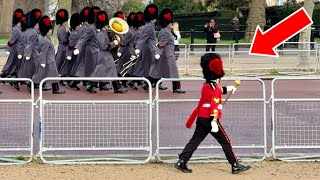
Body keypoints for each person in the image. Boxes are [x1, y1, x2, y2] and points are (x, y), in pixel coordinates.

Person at [174, 53, 251, 174]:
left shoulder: (207, 85)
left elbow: (217, 90)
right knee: (225, 141)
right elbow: (214, 104)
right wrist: (214, 121)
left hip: (202, 118)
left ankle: (182, 160)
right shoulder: (215, 87)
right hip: (210, 119)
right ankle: (235, 164)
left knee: (195, 140)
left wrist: (230, 88)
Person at [85, 11, 127, 94]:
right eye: (107, 25)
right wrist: (113, 43)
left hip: (106, 55)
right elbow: (103, 47)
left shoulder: (104, 33)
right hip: (104, 56)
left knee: (101, 71)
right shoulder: (100, 34)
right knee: (105, 70)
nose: (108, 26)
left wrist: (114, 41)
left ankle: (91, 85)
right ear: (103, 25)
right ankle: (116, 87)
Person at [150, 8, 185, 94]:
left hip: (164, 54)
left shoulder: (163, 30)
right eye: (170, 23)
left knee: (158, 71)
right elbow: (161, 44)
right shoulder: (166, 32)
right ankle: (176, 88)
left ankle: (149, 83)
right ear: (167, 23)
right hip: (168, 55)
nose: (172, 24)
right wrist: (157, 53)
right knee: (174, 71)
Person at [32, 15, 65, 94]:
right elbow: (43, 52)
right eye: (50, 29)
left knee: (50, 75)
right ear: (47, 30)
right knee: (43, 75)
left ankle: (55, 89)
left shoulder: (46, 39)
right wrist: (42, 62)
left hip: (50, 60)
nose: (51, 31)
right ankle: (32, 83)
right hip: (48, 61)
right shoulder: (45, 40)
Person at [133, 3, 159, 92]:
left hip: (149, 48)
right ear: (152, 18)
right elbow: (143, 38)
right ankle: (147, 83)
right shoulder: (149, 27)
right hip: (149, 50)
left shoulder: (149, 26)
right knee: (152, 67)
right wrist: (138, 48)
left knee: (150, 67)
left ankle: (148, 83)